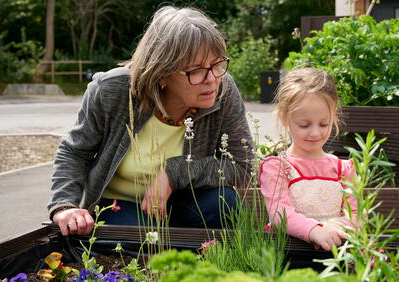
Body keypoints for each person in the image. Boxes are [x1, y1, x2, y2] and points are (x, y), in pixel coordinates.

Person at [48, 6, 254, 236]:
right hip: (121, 205)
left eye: (217, 65)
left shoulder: (224, 90)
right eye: (196, 70)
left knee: (224, 203)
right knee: (137, 238)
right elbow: (75, 152)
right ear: (162, 73)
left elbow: (243, 166)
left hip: (184, 199)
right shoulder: (112, 91)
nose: (212, 80)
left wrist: (175, 174)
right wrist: (64, 206)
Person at [258, 68, 357, 251]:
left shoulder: (343, 168)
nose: (315, 132)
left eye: (323, 124)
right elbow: (280, 213)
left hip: (336, 254)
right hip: (288, 254)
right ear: (285, 118)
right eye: (304, 125)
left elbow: (356, 215)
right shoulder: (278, 168)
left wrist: (334, 228)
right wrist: (314, 231)